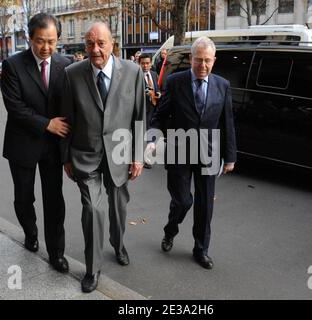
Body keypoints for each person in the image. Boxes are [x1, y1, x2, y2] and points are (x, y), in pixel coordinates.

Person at [61, 22, 145, 293]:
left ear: (112, 44)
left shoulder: (133, 72)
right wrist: (66, 158)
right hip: (86, 157)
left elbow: (140, 117)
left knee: (118, 209)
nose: (95, 49)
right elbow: (67, 120)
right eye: (89, 44)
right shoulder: (72, 74)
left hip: (121, 155)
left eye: (101, 43)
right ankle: (92, 268)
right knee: (93, 210)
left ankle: (118, 244)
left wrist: (138, 156)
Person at [147, 36, 236, 270]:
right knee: (183, 201)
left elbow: (227, 123)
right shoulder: (176, 82)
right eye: (198, 60)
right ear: (190, 59)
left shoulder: (222, 85)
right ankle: (170, 230)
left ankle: (201, 249)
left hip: (209, 152)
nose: (203, 66)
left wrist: (230, 156)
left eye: (207, 61)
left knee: (205, 205)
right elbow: (160, 115)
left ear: (214, 61)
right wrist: (152, 139)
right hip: (179, 149)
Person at [1, 13, 71, 273]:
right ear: (29, 38)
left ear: (58, 39)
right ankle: (30, 233)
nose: (46, 48)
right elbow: (15, 108)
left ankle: (56, 253)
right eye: (40, 41)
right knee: (23, 198)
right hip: (23, 144)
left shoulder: (66, 65)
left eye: (51, 41)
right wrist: (46, 124)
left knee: (54, 201)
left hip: (53, 147)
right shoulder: (13, 65)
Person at [140, 53, 161, 169]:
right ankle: (146, 159)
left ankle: (147, 156)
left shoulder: (153, 74)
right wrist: (144, 94)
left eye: (147, 63)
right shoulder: (136, 75)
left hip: (154, 109)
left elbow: (157, 89)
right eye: (143, 63)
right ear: (139, 64)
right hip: (142, 110)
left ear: (151, 63)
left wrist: (157, 94)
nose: (145, 66)